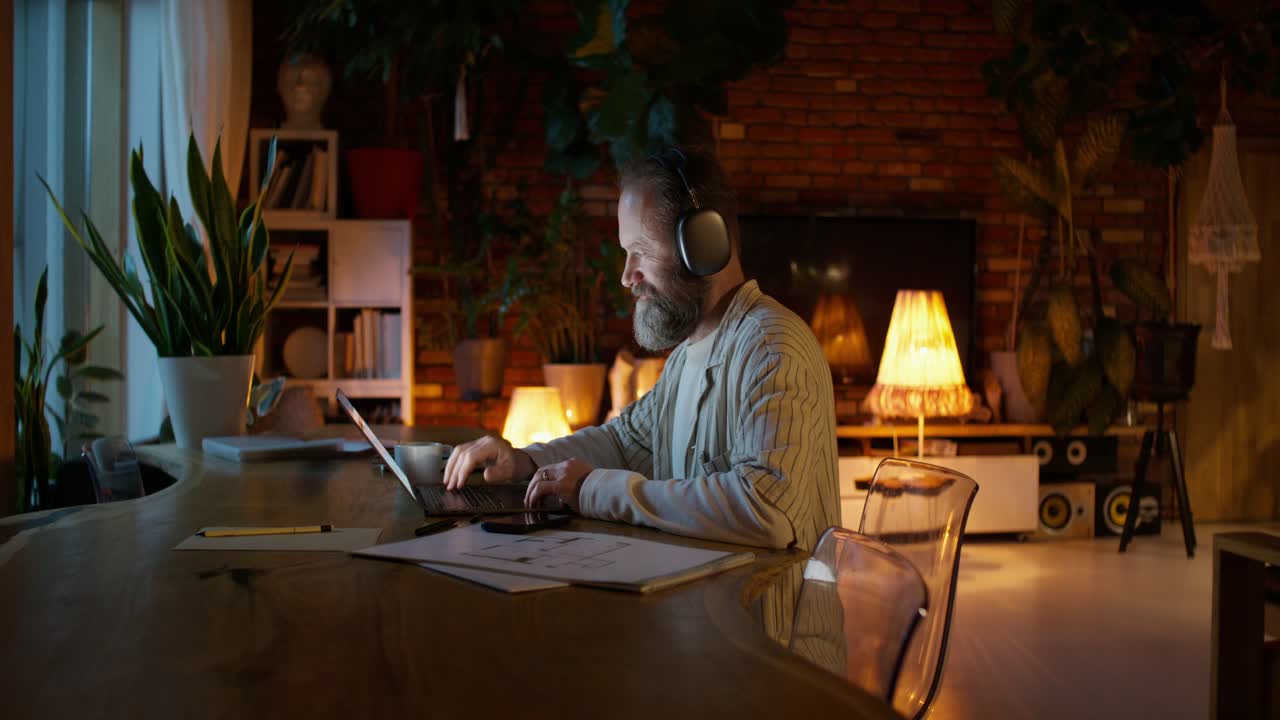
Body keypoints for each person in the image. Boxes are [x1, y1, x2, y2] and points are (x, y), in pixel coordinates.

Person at [443, 146, 838, 551]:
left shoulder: (773, 349)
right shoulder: (687, 355)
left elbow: (767, 509)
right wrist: (524, 462)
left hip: (773, 614)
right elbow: (624, 443)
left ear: (704, 246)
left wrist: (595, 490)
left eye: (642, 252)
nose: (626, 276)